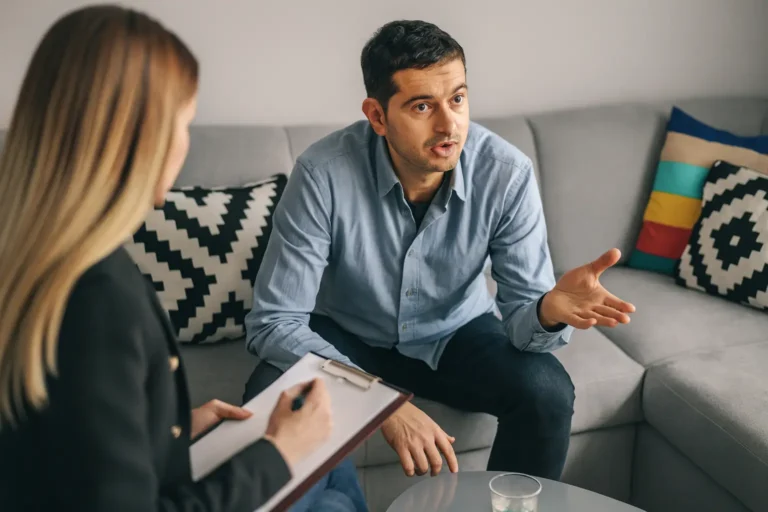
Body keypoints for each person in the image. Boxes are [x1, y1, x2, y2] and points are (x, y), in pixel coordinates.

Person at [0, 5, 365, 511]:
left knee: (332, 475)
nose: (185, 143)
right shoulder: (96, 298)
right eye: (184, 123)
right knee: (329, 489)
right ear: (137, 138)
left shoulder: (41, 266)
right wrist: (277, 453)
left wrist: (169, 432)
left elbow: (70, 454)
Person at [244, 19, 636, 482]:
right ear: (377, 116)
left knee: (547, 391)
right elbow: (274, 322)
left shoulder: (507, 174)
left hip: (455, 332)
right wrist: (378, 399)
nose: (449, 124)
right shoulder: (322, 174)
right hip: (346, 333)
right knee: (268, 393)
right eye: (422, 106)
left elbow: (523, 327)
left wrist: (548, 310)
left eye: (458, 99)